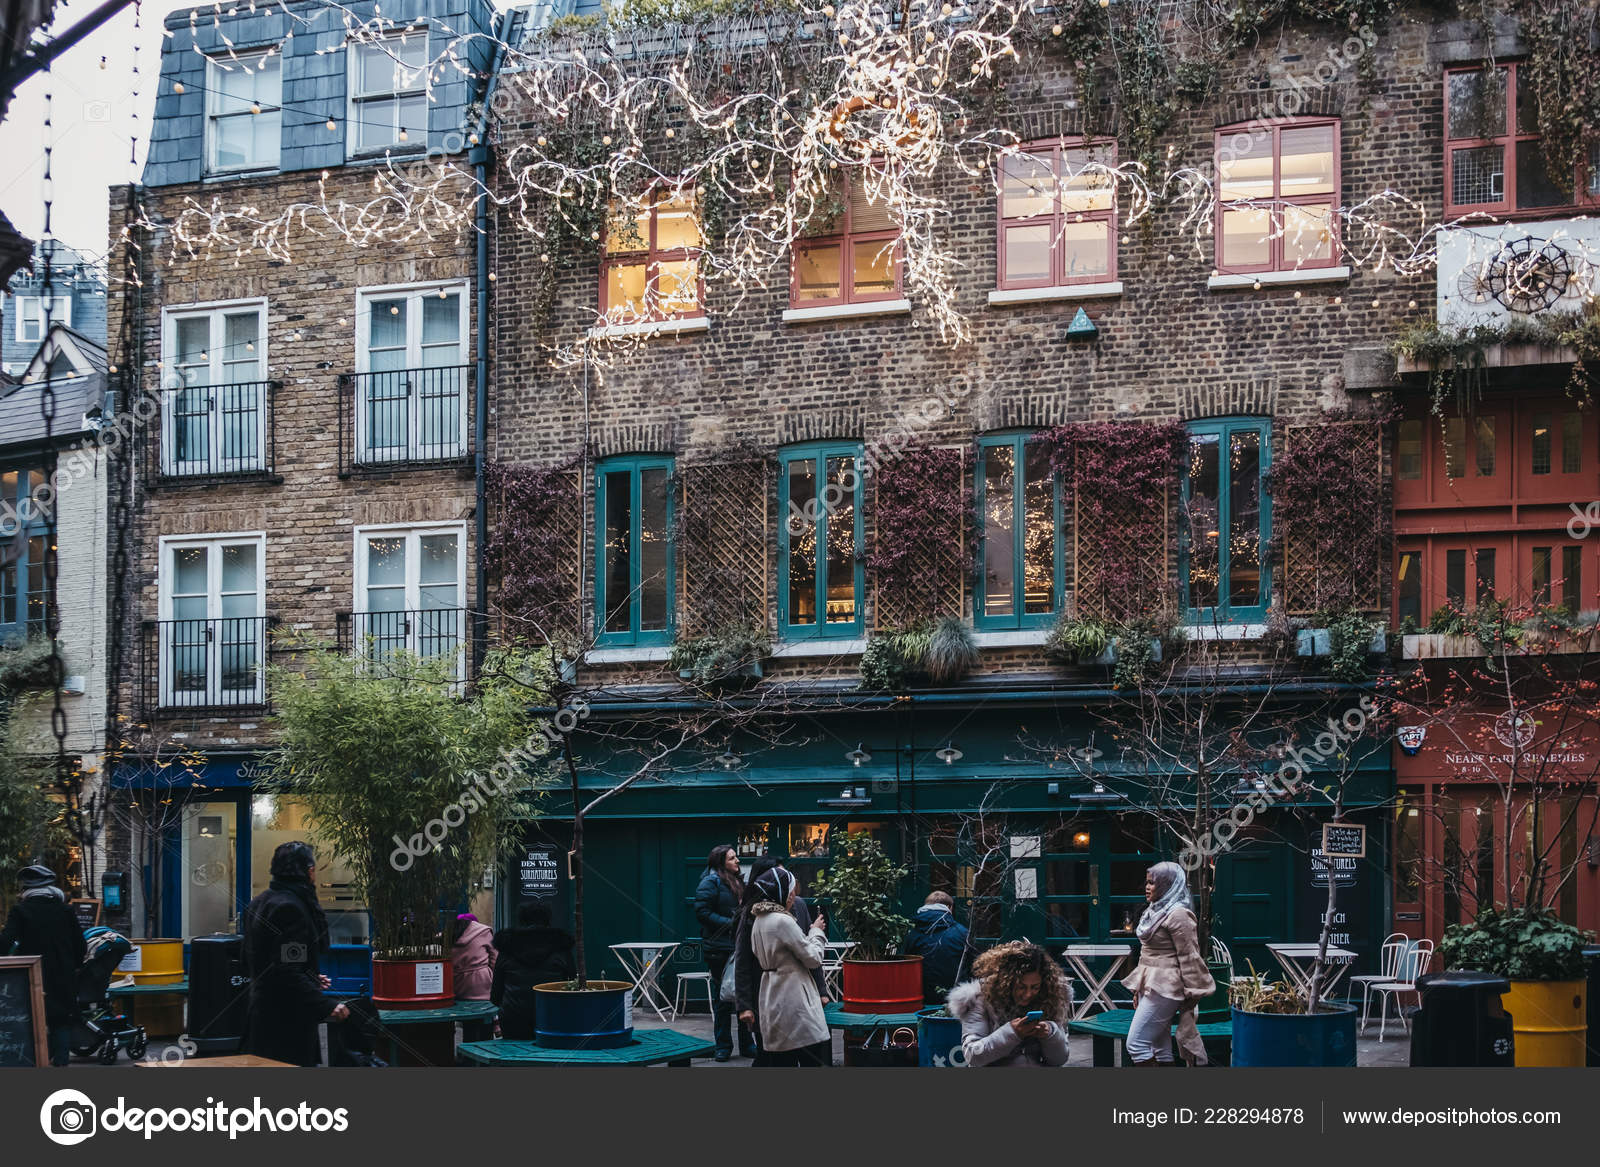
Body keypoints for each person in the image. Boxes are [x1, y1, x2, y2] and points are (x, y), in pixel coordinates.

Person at [240, 841, 348, 1066]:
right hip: (286, 1023)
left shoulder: (259, 903)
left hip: (260, 1015)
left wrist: (308, 975)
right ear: (309, 872)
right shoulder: (292, 908)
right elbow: (287, 971)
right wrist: (326, 1005)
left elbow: (256, 960)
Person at [735, 863, 831, 1066]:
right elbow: (813, 957)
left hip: (770, 993)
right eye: (790, 892)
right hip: (794, 996)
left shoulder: (760, 919)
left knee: (781, 1059)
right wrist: (816, 932)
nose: (793, 897)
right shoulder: (783, 921)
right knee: (810, 1056)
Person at [1121, 861, 1216, 1066]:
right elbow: (1147, 954)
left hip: (1166, 986)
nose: (1147, 887)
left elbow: (1189, 955)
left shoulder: (1178, 914)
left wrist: (1193, 993)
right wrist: (1139, 989)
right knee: (1159, 1046)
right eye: (1146, 882)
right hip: (1151, 983)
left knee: (1136, 1044)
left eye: (1153, 883)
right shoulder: (1154, 911)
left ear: (1168, 885)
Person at [0, 864, 86, 1065]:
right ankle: (61, 1064)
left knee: (30, 1018)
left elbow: (5, 943)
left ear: (26, 889)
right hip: (63, 973)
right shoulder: (65, 910)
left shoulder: (20, 911)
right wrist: (74, 965)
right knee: (61, 1020)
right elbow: (80, 945)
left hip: (30, 975)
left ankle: (35, 1062)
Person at [946, 941, 1072, 1067]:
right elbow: (972, 1055)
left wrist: (1050, 1034)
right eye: (1021, 987)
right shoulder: (979, 999)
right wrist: (1012, 1033)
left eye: (1035, 987)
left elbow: (1060, 1060)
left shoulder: (1051, 998)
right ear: (1006, 982)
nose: (1028, 994)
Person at [694, 843, 752, 1061]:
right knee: (723, 999)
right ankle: (723, 1046)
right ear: (721, 863)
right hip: (719, 949)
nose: (737, 861)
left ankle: (747, 1044)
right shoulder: (710, 882)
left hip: (738, 947)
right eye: (732, 858)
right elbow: (702, 912)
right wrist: (732, 923)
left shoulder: (736, 881)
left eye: (736, 857)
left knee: (743, 995)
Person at [491, 903, 576, 1040]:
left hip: (513, 1019)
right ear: (548, 920)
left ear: (522, 920)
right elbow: (573, 986)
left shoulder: (507, 947)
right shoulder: (562, 948)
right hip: (553, 1017)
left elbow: (495, 996)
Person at [902, 890, 973, 1003]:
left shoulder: (912, 933)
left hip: (921, 997)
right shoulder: (961, 932)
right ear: (950, 907)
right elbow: (974, 965)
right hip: (956, 998)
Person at [450, 912, 496, 1001]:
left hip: (454, 984)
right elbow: (495, 961)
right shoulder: (483, 932)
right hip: (481, 984)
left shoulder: (448, 934)